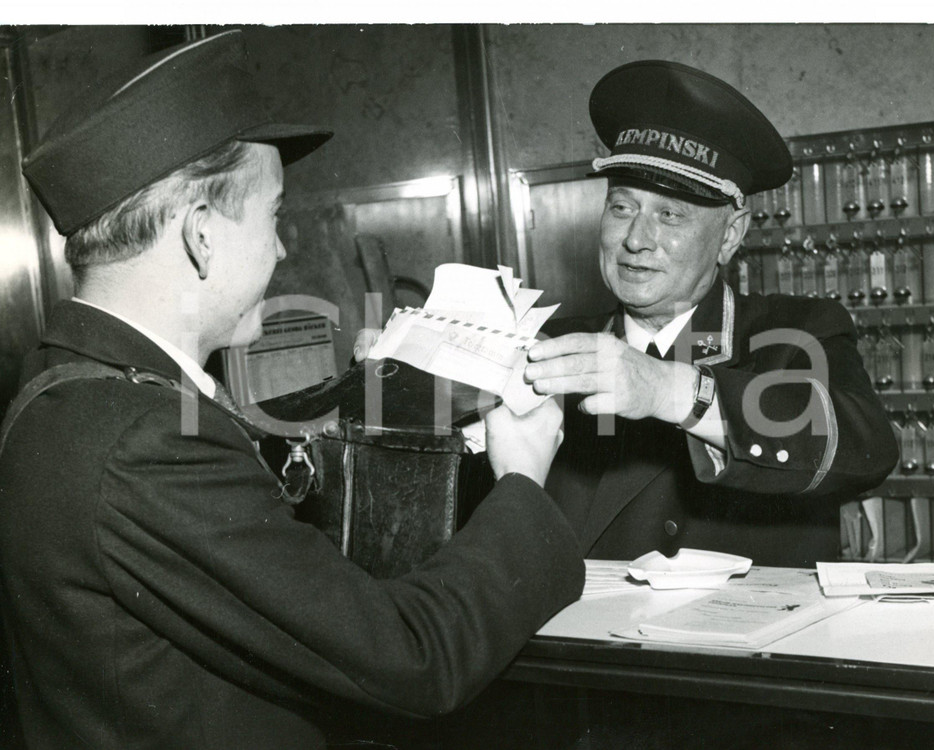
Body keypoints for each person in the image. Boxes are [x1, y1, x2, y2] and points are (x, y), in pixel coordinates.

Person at [0, 31, 583, 750]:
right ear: (202, 235)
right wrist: (523, 482)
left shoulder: (62, 388)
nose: (282, 249)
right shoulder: (141, 440)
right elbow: (412, 662)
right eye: (274, 216)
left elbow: (277, 589)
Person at [521, 60, 898, 567]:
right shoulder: (545, 343)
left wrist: (664, 387)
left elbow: (867, 448)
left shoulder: (795, 335)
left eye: (670, 215)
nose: (636, 239)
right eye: (622, 207)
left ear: (730, 235)